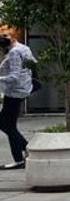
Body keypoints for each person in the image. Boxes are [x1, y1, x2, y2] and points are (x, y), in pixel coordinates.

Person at [0, 27, 35, 170]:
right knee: (8, 125)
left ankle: (25, 153)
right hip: (23, 89)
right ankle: (24, 154)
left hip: (14, 92)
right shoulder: (24, 48)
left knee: (6, 125)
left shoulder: (14, 53)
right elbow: (33, 63)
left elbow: (14, 77)